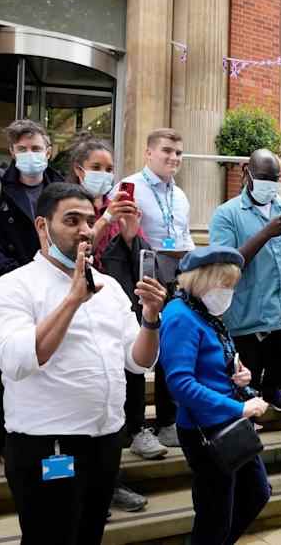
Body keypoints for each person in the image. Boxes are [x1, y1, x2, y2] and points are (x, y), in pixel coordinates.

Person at [0, 182, 167, 545]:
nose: (85, 230)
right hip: (47, 444)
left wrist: (150, 318)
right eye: (71, 220)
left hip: (105, 441)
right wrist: (72, 301)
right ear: (42, 226)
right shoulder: (14, 286)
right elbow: (18, 362)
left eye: (89, 220)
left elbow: (138, 361)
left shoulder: (110, 288)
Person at [209, 148, 281, 490]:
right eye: (264, 178)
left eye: (275, 179)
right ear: (246, 173)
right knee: (244, 397)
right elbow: (227, 265)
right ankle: (243, 466)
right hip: (250, 321)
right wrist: (267, 233)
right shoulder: (227, 215)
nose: (270, 185)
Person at [0, 119, 65, 460]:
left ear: (48, 151)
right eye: (22, 149)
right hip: (3, 284)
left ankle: (45, 430)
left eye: (36, 148)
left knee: (49, 357)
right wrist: (11, 271)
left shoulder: (60, 185)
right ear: (11, 152)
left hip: (50, 286)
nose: (30, 155)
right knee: (2, 365)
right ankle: (5, 434)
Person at [158, 246, 271, 544]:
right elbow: (180, 384)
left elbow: (216, 359)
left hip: (226, 421)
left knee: (255, 494)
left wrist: (240, 374)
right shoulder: (180, 315)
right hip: (206, 428)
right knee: (215, 515)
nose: (228, 292)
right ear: (203, 279)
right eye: (225, 284)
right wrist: (240, 408)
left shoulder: (202, 311)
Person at [66, 134, 153, 512]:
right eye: (97, 168)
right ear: (78, 170)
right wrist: (103, 220)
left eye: (109, 168)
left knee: (120, 394)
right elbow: (72, 249)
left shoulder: (121, 210)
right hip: (76, 314)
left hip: (117, 310)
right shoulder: (69, 207)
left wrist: (132, 235)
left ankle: (111, 481)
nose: (105, 175)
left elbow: (142, 260)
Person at [118, 128, 193, 447]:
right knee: (135, 349)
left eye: (178, 152)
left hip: (175, 276)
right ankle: (135, 427)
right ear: (148, 153)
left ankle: (167, 420)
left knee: (172, 349)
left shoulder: (180, 195)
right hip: (140, 276)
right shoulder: (129, 187)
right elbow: (119, 236)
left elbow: (184, 236)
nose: (173, 158)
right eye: (166, 151)